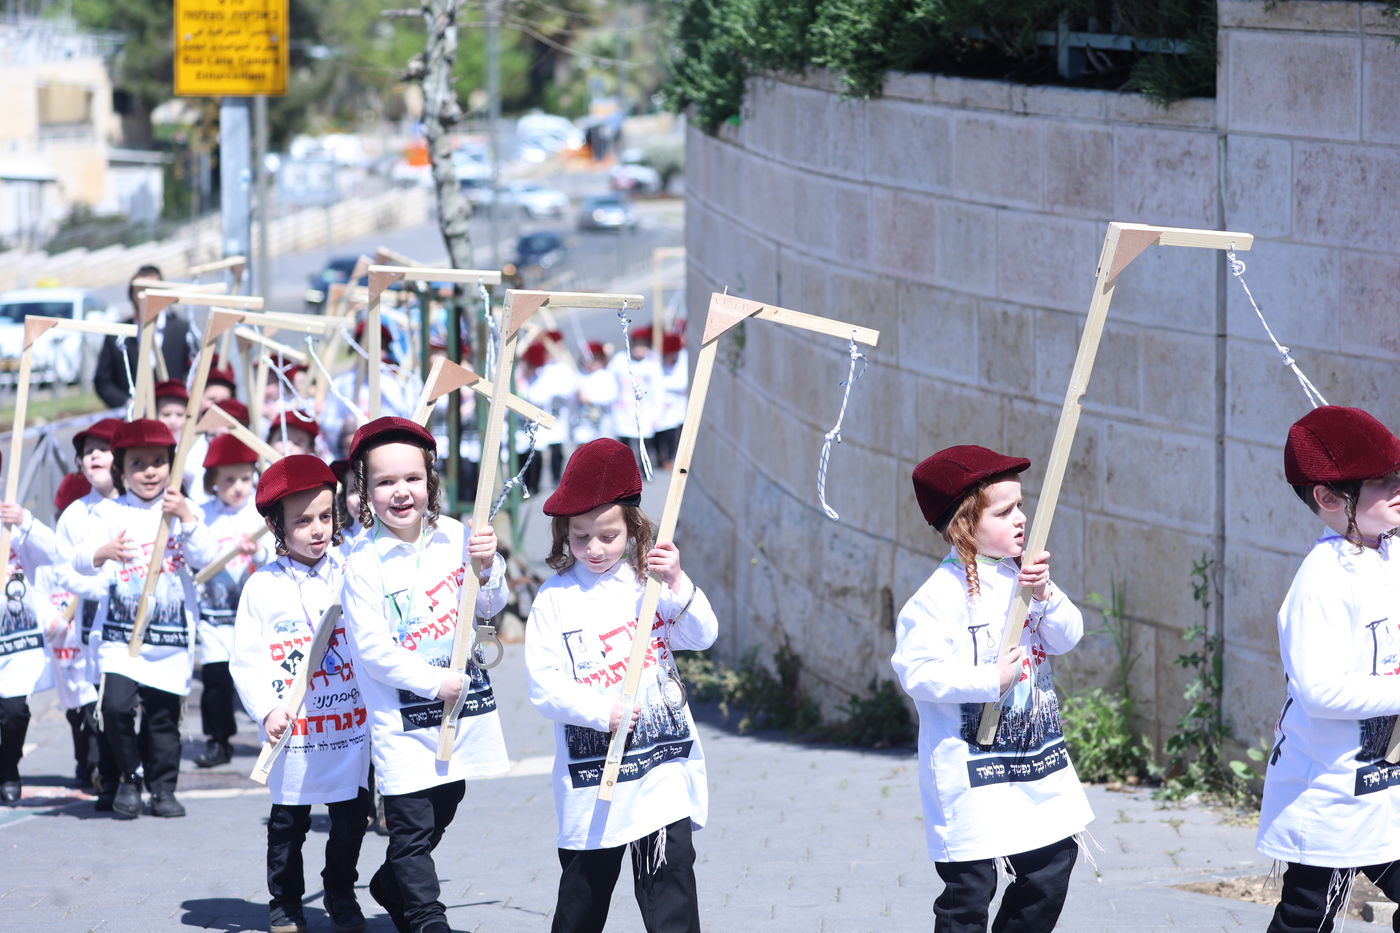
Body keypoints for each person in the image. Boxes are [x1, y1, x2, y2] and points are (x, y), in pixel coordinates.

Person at [891, 445, 1092, 932]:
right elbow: (915, 671)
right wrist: (988, 680)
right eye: (1005, 512)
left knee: (1050, 868)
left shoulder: (1022, 578)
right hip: (969, 772)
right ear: (963, 525)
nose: (1021, 519)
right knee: (970, 891)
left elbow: (1068, 637)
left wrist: (1044, 594)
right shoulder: (936, 598)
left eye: (1020, 506)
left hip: (1031, 762)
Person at [524, 437, 718, 933]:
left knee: (671, 893)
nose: (593, 548)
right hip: (595, 777)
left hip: (660, 772)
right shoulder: (555, 599)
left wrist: (677, 581)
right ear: (563, 533)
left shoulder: (648, 583)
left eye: (607, 535)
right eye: (580, 535)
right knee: (582, 906)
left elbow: (702, 635)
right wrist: (599, 710)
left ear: (632, 528)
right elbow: (544, 685)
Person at [339, 416, 507, 933]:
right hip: (403, 715)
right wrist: (433, 682)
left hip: (460, 708)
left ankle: (392, 883)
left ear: (430, 481)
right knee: (409, 825)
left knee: (448, 797)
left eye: (412, 478)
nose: (401, 492)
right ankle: (424, 917)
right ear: (365, 491)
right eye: (385, 482)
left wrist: (490, 564)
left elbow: (492, 606)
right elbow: (371, 650)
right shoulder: (362, 561)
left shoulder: (457, 536)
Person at [1256, 406, 1400, 932]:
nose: (1397, 490)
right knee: (1307, 916)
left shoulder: (1388, 550)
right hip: (1331, 787)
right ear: (1329, 498)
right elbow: (1321, 693)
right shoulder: (1319, 584)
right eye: (1383, 484)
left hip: (1385, 784)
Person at [230, 455, 370, 933]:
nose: (317, 530)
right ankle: (285, 902)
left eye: (326, 517)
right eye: (302, 520)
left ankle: (340, 892)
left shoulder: (352, 570)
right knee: (289, 824)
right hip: (294, 729)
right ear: (276, 525)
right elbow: (246, 658)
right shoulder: (262, 587)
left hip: (349, 725)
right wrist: (267, 709)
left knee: (352, 817)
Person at [72, 418, 219, 819]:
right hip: (120, 635)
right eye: (138, 463)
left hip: (169, 636)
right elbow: (79, 560)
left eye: (158, 461)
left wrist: (187, 518)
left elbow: (206, 559)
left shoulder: (181, 510)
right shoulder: (108, 511)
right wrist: (103, 551)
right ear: (121, 469)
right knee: (117, 708)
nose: (149, 471)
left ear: (171, 464)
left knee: (162, 719)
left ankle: (163, 787)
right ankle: (129, 776)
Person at [54, 417, 124, 806]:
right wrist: (100, 586)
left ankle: (146, 776)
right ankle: (109, 778)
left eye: (104, 447)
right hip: (97, 621)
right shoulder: (76, 515)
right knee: (105, 702)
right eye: (86, 451)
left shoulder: (139, 506)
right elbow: (64, 569)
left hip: (143, 621)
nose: (94, 455)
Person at [193, 435, 269, 769]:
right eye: (228, 480)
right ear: (212, 482)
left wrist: (261, 552)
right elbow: (196, 554)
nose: (238, 487)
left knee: (260, 678)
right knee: (215, 680)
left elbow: (277, 552)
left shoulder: (260, 513)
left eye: (244, 478)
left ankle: (270, 734)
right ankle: (218, 739)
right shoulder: (203, 516)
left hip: (254, 616)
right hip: (215, 615)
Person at [0, 451, 63, 805]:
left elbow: (55, 554)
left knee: (13, 712)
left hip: (15, 641)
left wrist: (26, 520)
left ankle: (8, 766)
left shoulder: (11, 524)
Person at [94, 266, 193, 409]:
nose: (147, 297)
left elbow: (194, 372)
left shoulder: (182, 330)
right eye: (141, 291)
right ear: (132, 295)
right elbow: (103, 382)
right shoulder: (118, 334)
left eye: (153, 290)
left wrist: (178, 401)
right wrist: (128, 403)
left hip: (174, 417)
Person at [608, 327, 661, 476]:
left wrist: (657, 413)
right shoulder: (620, 360)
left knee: (644, 443)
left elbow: (658, 390)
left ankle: (646, 468)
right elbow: (609, 380)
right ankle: (626, 473)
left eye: (643, 345)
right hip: (623, 411)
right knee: (624, 445)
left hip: (644, 411)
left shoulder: (652, 363)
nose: (639, 349)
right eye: (637, 345)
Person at [652, 334, 687, 471]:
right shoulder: (657, 362)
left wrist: (662, 384)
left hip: (677, 406)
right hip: (660, 405)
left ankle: (671, 458)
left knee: (673, 434)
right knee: (659, 434)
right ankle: (661, 458)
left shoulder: (682, 361)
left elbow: (682, 383)